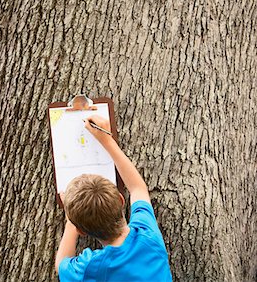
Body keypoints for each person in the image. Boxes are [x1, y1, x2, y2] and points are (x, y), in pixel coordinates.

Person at [55, 115, 172, 282]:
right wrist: (107, 140)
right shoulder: (147, 234)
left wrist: (70, 223)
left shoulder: (90, 266)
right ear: (121, 200)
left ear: (80, 230)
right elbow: (138, 188)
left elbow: (61, 266)